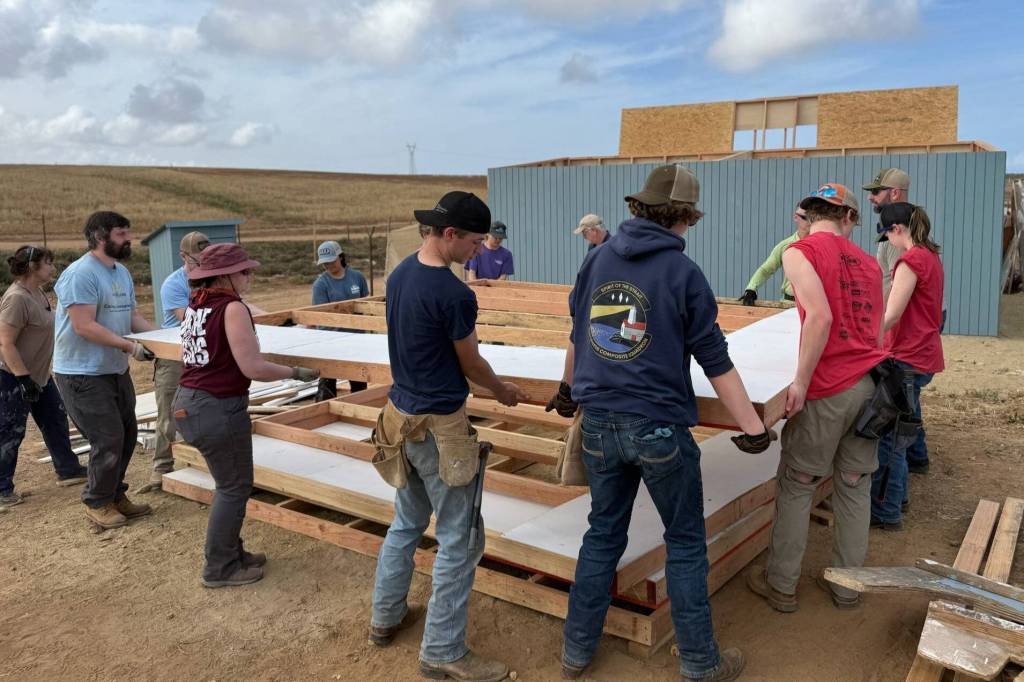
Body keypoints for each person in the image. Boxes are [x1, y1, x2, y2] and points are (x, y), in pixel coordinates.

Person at [553, 165, 773, 682]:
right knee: (685, 541)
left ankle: (575, 653)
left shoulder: (597, 259)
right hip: (658, 429)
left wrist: (566, 389)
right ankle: (700, 663)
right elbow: (714, 360)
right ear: (686, 218)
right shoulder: (683, 273)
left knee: (603, 533)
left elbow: (579, 334)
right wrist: (753, 427)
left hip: (599, 422)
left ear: (639, 207)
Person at [368, 190, 525, 682]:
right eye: (474, 242)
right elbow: (471, 362)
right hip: (440, 426)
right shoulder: (454, 294)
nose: (478, 251)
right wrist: (502, 390)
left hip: (401, 417)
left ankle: (385, 617)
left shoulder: (400, 275)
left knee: (406, 522)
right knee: (460, 539)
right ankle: (442, 650)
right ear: (450, 234)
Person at [746, 183, 887, 613]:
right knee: (854, 485)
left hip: (827, 389)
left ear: (810, 215)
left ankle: (781, 587)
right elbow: (876, 329)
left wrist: (801, 383)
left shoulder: (799, 252)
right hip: (870, 389)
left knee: (798, 484)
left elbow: (820, 317)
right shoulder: (869, 262)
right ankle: (848, 589)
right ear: (849, 217)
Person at [173, 243, 319, 587]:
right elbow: (252, 367)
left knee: (230, 484)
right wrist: (295, 373)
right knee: (233, 487)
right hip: (216, 407)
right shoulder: (233, 307)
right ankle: (220, 567)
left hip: (190, 402)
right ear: (224, 275)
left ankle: (231, 552)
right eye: (244, 271)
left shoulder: (198, 303)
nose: (249, 276)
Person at [53, 211, 158, 529]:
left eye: (128, 233)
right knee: (107, 437)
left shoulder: (121, 272)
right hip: (81, 372)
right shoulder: (80, 274)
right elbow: (84, 326)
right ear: (100, 237)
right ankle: (97, 502)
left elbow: (131, 317)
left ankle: (115, 495)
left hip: (113, 369)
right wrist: (130, 347)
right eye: (121, 234)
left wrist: (163, 338)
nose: (129, 239)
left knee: (127, 435)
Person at [870, 203, 944, 531]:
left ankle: (885, 512)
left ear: (896, 229)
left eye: (887, 234)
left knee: (890, 440)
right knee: (902, 433)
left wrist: (865, 338)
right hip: (922, 354)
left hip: (907, 357)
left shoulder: (910, 261)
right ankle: (897, 498)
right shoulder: (930, 255)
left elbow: (892, 314)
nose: (888, 240)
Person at [1, 246, 89, 507]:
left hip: (38, 375)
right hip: (12, 376)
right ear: (32, 267)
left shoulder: (38, 293)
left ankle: (68, 469)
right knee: (10, 431)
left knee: (55, 419)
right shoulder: (16, 299)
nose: (53, 268)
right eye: (48, 263)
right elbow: (5, 342)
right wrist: (23, 378)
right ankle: (2, 489)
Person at [137, 231, 210, 494]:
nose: (202, 264)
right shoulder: (174, 284)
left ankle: (201, 462)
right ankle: (162, 467)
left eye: (206, 258)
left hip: (204, 352)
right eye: (197, 259)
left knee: (205, 408)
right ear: (183, 256)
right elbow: (187, 318)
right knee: (169, 414)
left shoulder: (214, 279)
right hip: (173, 356)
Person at [311, 240, 369, 401]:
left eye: (331, 261)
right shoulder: (321, 285)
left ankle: (360, 407)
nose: (328, 265)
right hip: (332, 340)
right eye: (325, 263)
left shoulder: (357, 278)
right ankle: (323, 410)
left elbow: (366, 304)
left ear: (341, 257)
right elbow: (321, 316)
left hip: (356, 338)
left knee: (359, 381)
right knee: (328, 382)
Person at [739, 205, 811, 304]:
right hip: (789, 304)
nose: (810, 221)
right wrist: (751, 289)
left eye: (814, 218)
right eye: (805, 217)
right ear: (795, 217)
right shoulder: (785, 245)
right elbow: (766, 269)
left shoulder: (823, 246)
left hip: (817, 305)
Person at [863, 167, 911, 300]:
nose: (870, 197)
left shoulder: (898, 231)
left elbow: (898, 287)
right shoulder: (911, 222)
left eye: (876, 191)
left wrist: (886, 313)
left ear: (894, 193)